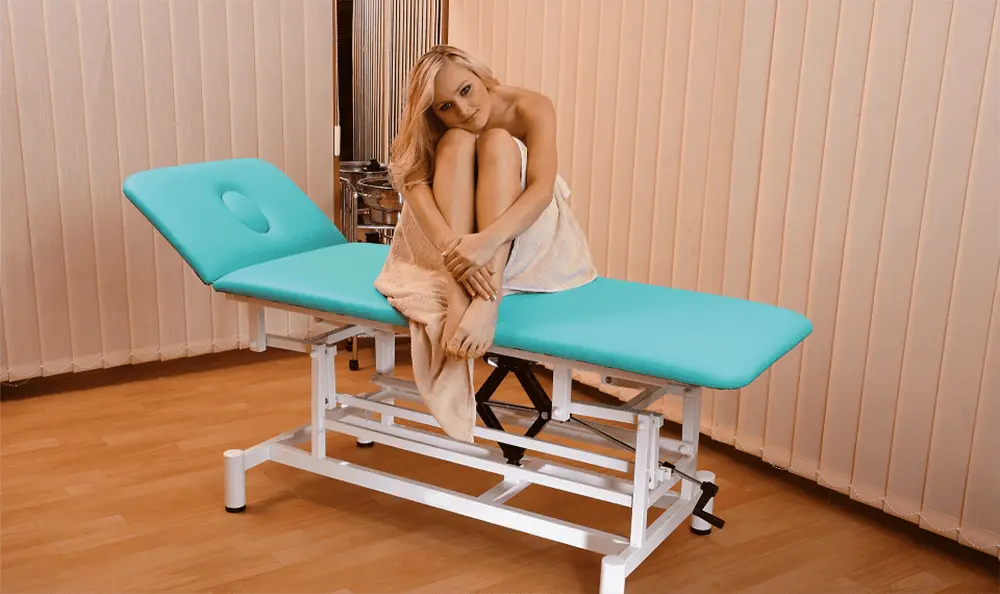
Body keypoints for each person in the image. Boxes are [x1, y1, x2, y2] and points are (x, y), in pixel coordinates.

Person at [373, 45, 597, 442]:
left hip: (523, 234)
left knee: (496, 141)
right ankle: (460, 298)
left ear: (481, 76)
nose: (462, 109)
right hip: (448, 243)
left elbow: (541, 189)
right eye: (445, 106)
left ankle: (485, 301)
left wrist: (486, 242)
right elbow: (415, 188)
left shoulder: (532, 107)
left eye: (466, 90)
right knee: (457, 143)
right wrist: (456, 252)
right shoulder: (440, 130)